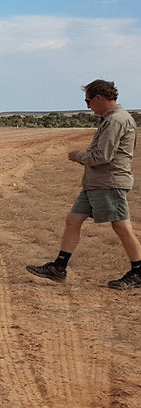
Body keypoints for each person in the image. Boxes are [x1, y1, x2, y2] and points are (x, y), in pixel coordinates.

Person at [27, 79, 140, 289]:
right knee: (73, 220)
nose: (87, 106)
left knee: (121, 226)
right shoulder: (112, 118)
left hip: (109, 182)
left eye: (88, 101)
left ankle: (138, 271)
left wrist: (78, 156)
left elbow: (102, 155)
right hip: (96, 183)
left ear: (99, 98)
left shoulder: (116, 120)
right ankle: (58, 268)